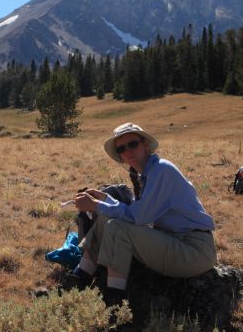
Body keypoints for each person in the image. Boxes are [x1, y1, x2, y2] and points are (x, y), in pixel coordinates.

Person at [70, 123, 217, 306]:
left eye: (133, 144)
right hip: (178, 243)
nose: (128, 151)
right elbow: (136, 213)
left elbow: (138, 217)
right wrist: (104, 198)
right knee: (107, 219)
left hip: (194, 251)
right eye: (121, 148)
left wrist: (96, 205)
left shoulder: (161, 170)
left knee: (116, 226)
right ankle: (78, 280)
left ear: (145, 144)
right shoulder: (149, 173)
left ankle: (115, 303)